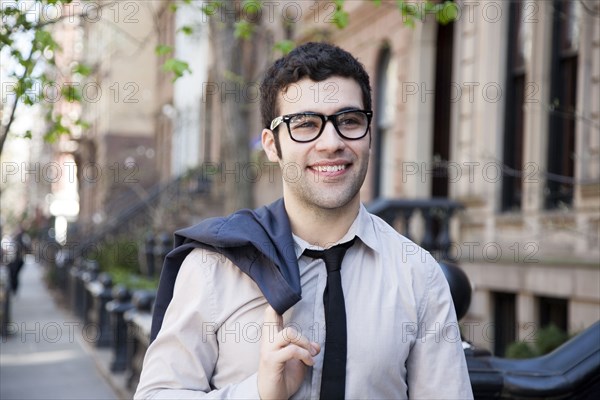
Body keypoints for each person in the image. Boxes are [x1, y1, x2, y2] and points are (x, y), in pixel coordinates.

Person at [135, 42, 473, 399]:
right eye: (306, 124)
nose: (331, 142)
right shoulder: (212, 266)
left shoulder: (417, 275)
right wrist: (258, 393)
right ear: (271, 145)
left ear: (369, 134)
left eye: (349, 121)